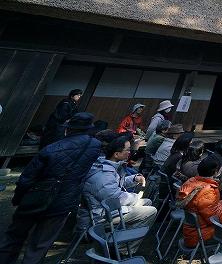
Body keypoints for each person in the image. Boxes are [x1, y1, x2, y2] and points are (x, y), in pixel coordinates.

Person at [0, 113, 101, 264]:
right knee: (40, 244)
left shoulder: (51, 149)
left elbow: (26, 178)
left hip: (35, 198)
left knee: (14, 237)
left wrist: (18, 198)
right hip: (63, 201)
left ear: (68, 130)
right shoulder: (94, 146)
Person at [83, 136, 157, 253]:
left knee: (147, 202)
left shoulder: (108, 166)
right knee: (151, 211)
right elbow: (116, 199)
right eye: (127, 150)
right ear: (116, 154)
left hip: (109, 209)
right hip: (102, 216)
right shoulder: (103, 175)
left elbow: (114, 184)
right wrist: (136, 197)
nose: (130, 152)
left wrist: (133, 179)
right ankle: (123, 250)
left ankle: (123, 238)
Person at [178, 155, 222, 249]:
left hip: (194, 231)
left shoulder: (191, 182)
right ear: (216, 172)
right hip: (201, 236)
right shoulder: (207, 190)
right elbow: (217, 217)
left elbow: (208, 207)